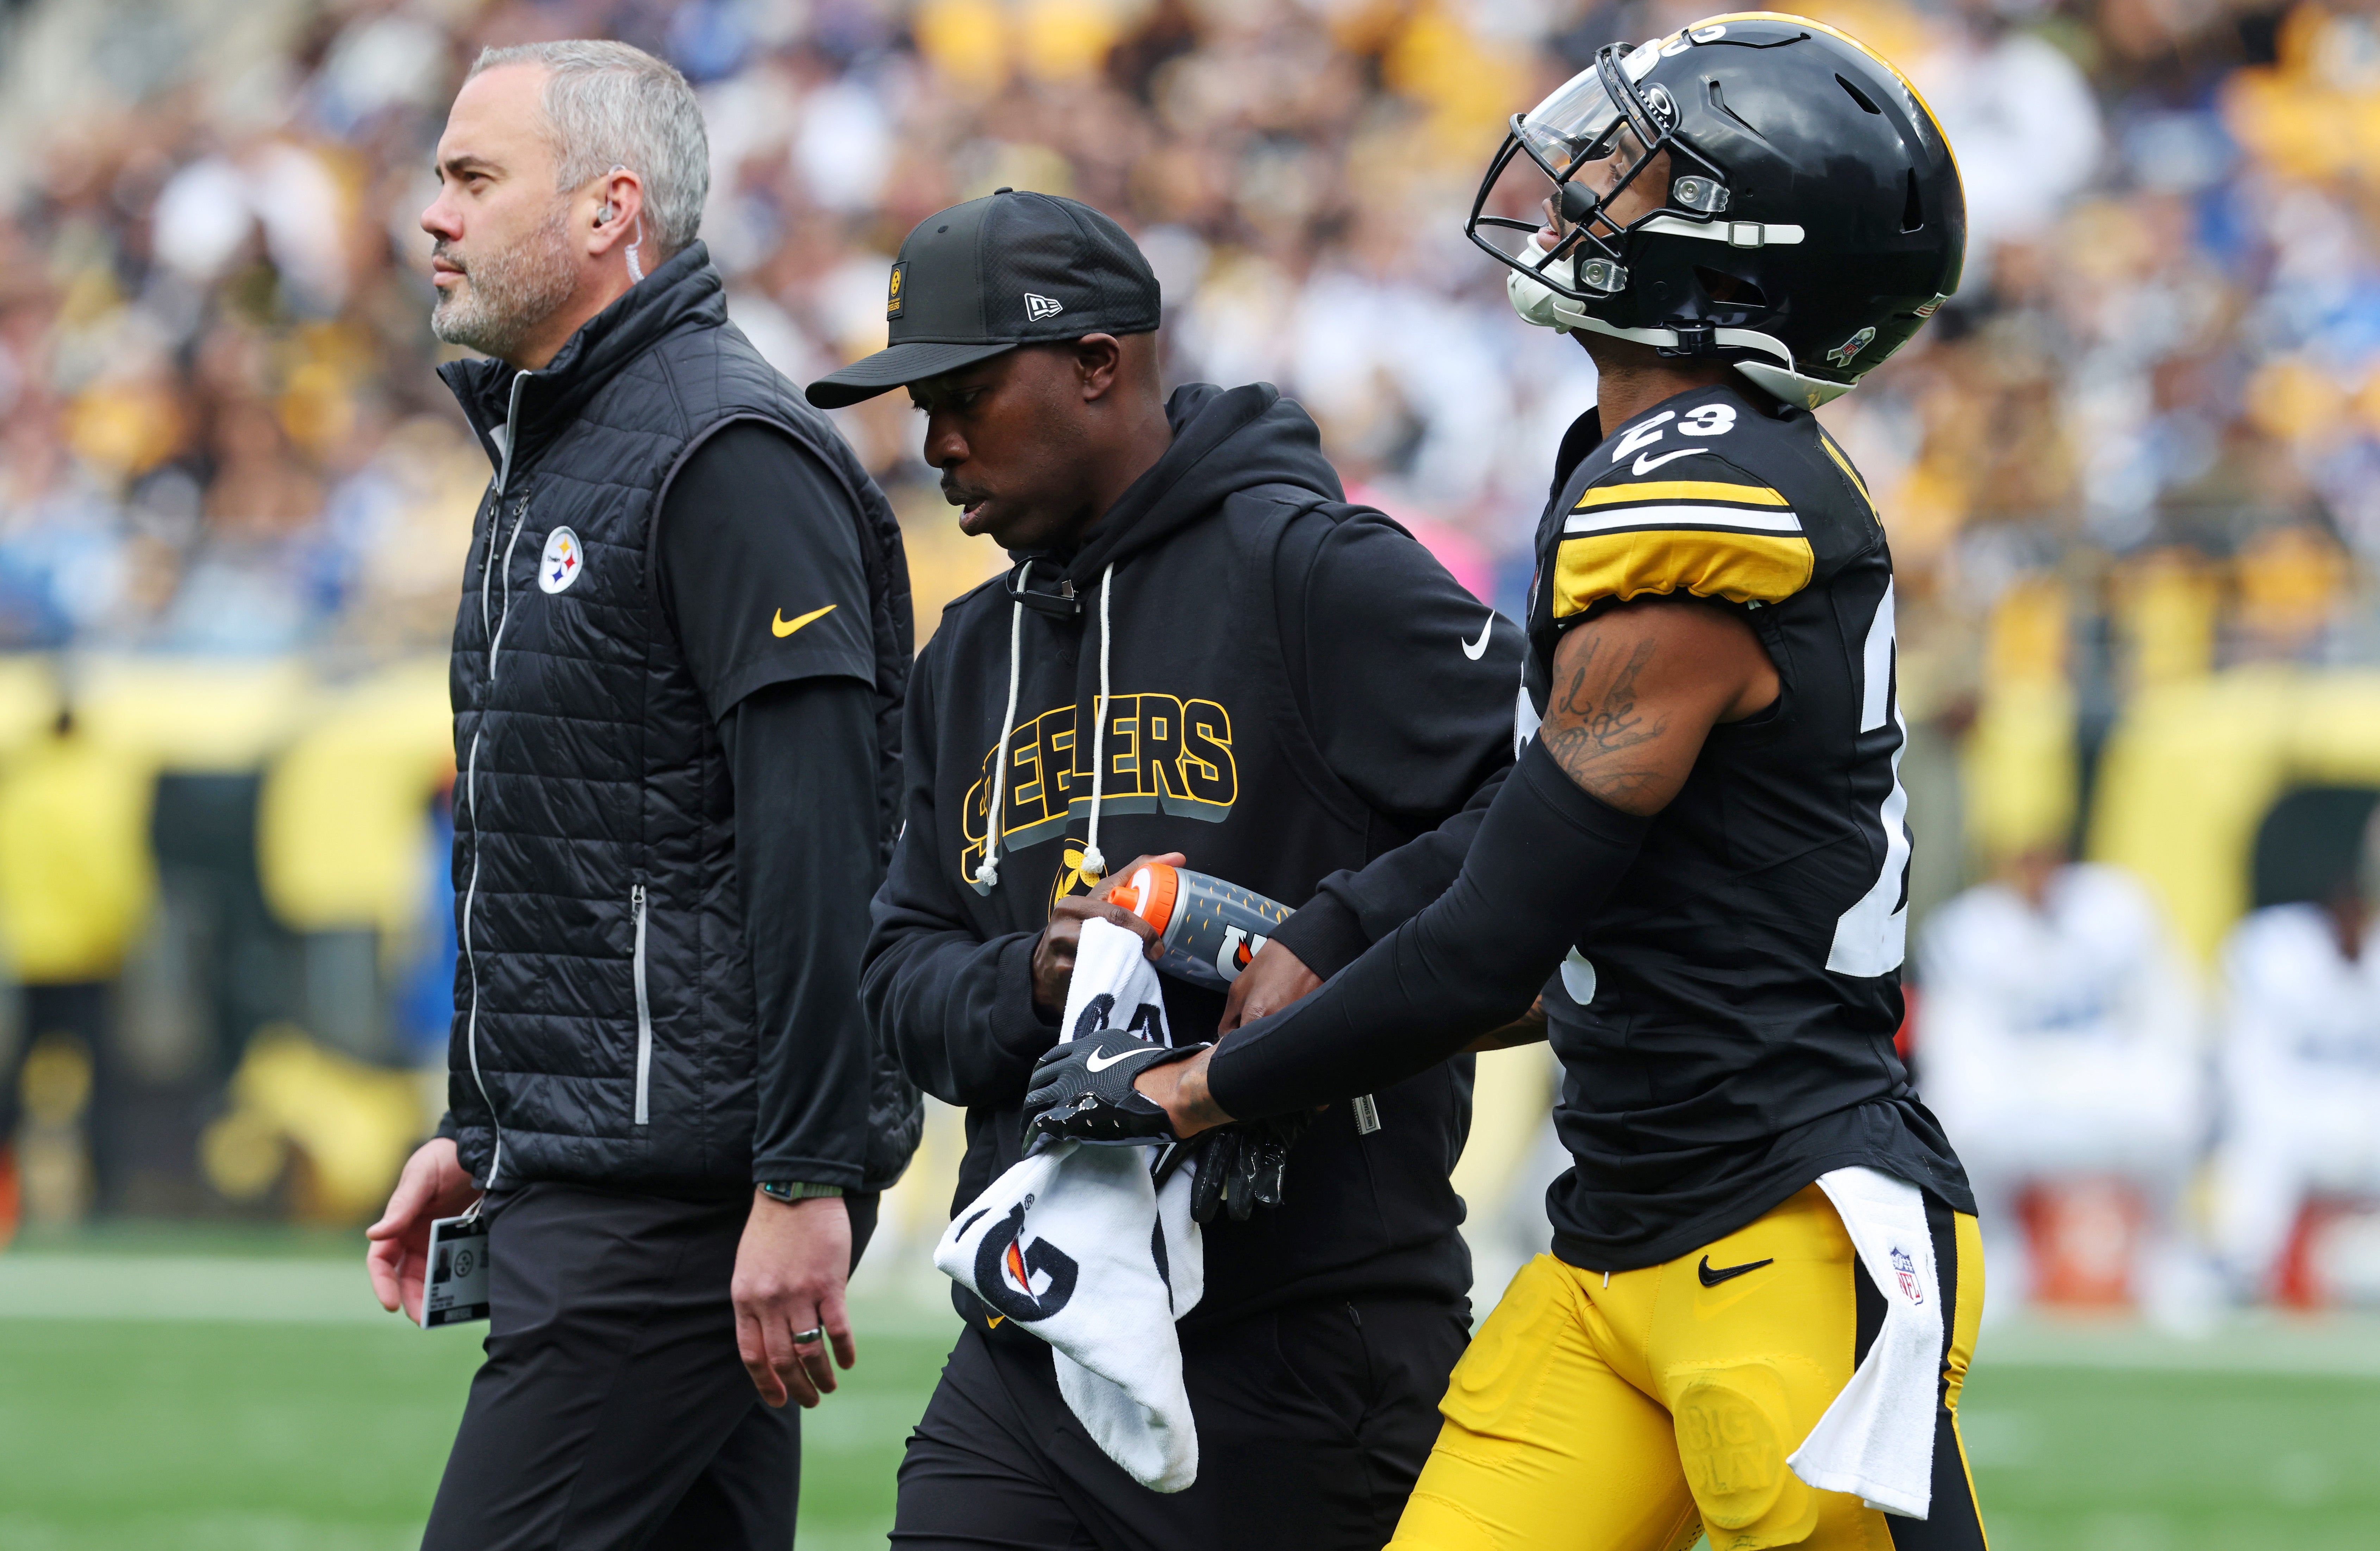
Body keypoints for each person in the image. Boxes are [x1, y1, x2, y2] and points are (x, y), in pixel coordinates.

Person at [1032, 18, 1994, 1549]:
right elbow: (1526, 813)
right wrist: (1330, 926)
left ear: (1734, 257)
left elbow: (1501, 930)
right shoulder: (1635, 460)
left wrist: (1191, 1093)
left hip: (1787, 1235)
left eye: (1641, 166)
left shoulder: (1709, 495)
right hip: (1617, 1237)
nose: (1581, 181)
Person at [818, 189, 1521, 1549]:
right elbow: (893, 974)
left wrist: (1334, 927)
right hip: (1037, 1318)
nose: (936, 440)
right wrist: (1032, 973)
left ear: (1099, 362)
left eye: (966, 392)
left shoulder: (1314, 572)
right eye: (919, 404)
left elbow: (1563, 802)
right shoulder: (964, 655)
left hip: (1310, 1322)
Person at [361, 41, 916, 1551]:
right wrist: (485, 1128)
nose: (434, 216)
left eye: (474, 179)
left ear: (611, 210)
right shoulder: (559, 449)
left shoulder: (725, 455)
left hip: (677, 1213)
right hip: (604, 1179)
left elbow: (824, 844)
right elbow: (568, 852)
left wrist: (808, 1174)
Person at [1918, 846, 2208, 1322]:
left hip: (2109, 1081)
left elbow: (2170, 1009)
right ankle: (1994, 1259)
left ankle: (2164, 1260)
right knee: (1955, 1115)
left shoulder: (2121, 907)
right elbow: (1956, 1043)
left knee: (2177, 1104)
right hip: (2018, 1088)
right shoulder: (1966, 928)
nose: (2039, 873)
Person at [2210, 813, 2380, 1299]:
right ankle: (2236, 1272)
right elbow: (2249, 1068)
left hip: (2367, 1114)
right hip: (2291, 1110)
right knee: (2258, 1141)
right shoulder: (2270, 947)